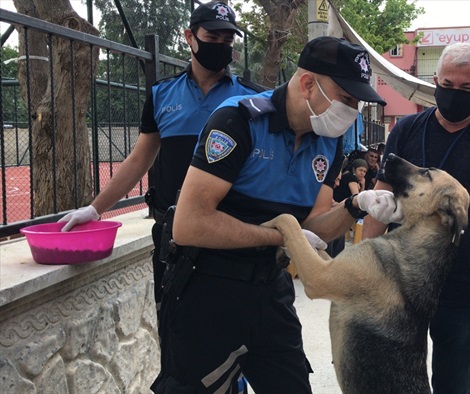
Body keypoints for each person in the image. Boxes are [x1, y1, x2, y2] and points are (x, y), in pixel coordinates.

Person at [153, 36, 402, 393]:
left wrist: (355, 206)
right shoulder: (237, 121)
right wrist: (284, 235)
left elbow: (315, 222)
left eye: (357, 102)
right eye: (346, 98)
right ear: (307, 84)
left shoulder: (327, 141)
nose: (352, 110)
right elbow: (190, 224)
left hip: (270, 288)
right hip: (207, 290)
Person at [58, 1, 264, 309]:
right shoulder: (161, 95)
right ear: (189, 37)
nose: (221, 46)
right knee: (175, 336)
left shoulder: (252, 98)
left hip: (232, 237)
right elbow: (140, 159)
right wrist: (94, 209)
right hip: (174, 239)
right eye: (212, 38)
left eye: (228, 41)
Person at [362, 42, 470, 394]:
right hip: (402, 281)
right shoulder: (407, 130)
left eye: (466, 89)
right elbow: (380, 198)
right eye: (448, 85)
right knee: (393, 377)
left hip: (464, 286)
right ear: (436, 81)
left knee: (453, 383)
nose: (455, 94)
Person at [327, 158, 368, 257]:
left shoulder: (345, 175)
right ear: (354, 169)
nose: (362, 173)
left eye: (364, 171)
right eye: (360, 170)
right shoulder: (351, 178)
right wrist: (363, 186)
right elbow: (357, 198)